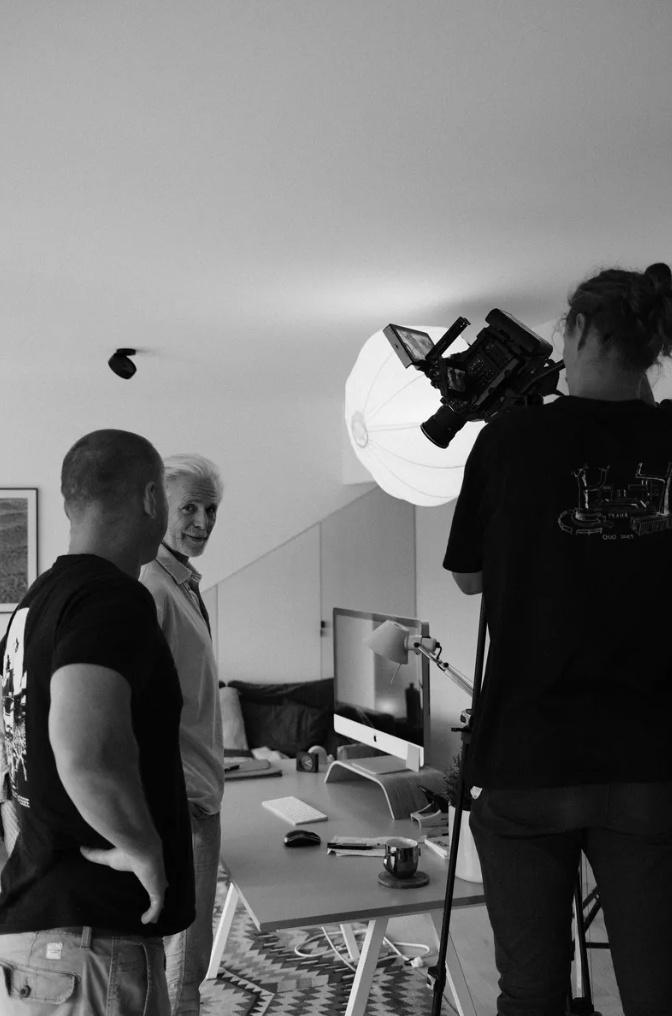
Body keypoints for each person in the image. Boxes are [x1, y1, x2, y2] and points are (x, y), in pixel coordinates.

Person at [444, 263, 672, 1016]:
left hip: (529, 753)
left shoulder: (511, 438)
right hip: (650, 757)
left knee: (531, 991)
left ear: (576, 330)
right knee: (657, 990)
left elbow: (469, 578)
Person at [0, 429, 195, 1015]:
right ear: (152, 499)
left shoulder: (37, 601)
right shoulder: (110, 598)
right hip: (89, 947)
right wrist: (143, 849)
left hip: (42, 933)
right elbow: (85, 753)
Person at [139, 454, 225, 1016]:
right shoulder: (152, 586)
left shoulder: (184, 584)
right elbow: (137, 703)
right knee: (183, 959)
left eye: (210, 509)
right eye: (188, 508)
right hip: (184, 798)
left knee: (191, 947)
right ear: (157, 509)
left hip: (199, 789)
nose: (202, 521)